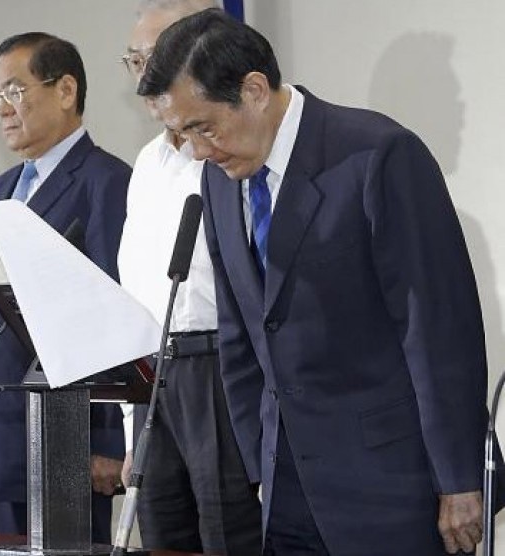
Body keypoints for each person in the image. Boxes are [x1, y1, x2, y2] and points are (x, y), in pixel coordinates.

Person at [138, 8, 488, 555]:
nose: (199, 150)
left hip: (393, 488)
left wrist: (461, 478)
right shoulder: (218, 180)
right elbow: (240, 334)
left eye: (203, 126)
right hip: (286, 494)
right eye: (182, 134)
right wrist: (259, 465)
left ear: (254, 89)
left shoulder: (376, 155)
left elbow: (438, 330)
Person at [0, 32, 130, 543]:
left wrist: (110, 439)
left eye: (14, 91)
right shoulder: (1, 188)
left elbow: (112, 312)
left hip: (57, 435)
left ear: (65, 90)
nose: (2, 109)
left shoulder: (106, 182)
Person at [117, 1, 261, 554]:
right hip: (154, 374)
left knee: (230, 533)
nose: (145, 76)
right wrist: (136, 430)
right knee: (163, 533)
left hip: (219, 369)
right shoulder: (147, 163)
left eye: (157, 57)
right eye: (136, 60)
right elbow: (137, 292)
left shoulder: (232, 150)